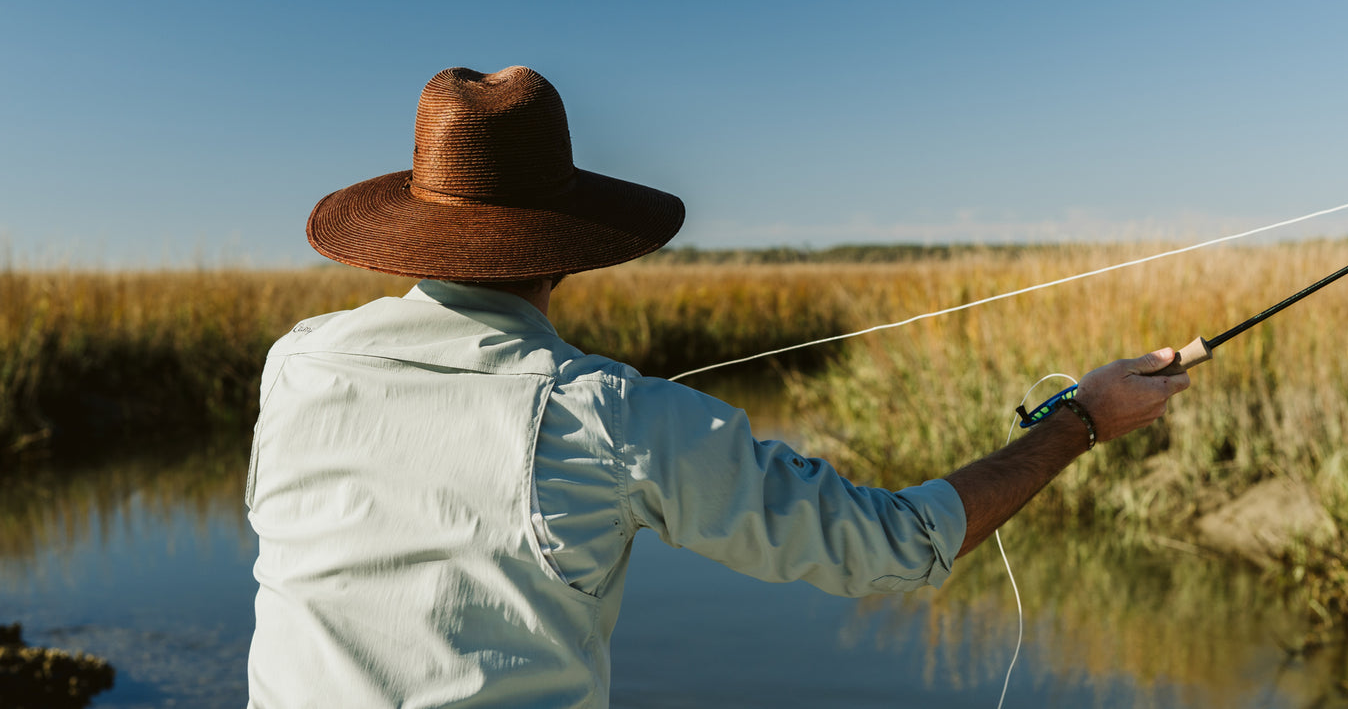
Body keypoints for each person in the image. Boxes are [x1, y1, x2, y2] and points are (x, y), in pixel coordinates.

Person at [245, 66, 1190, 708]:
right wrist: (1082, 421)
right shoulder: (607, 416)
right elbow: (893, 547)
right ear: (566, 245)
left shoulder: (294, 368)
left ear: (416, 224)